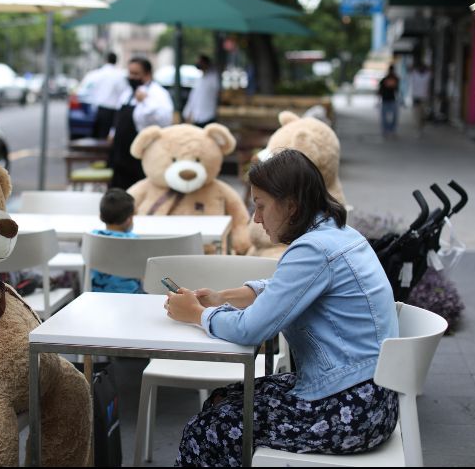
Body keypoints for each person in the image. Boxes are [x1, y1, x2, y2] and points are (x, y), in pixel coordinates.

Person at [165, 149, 399, 467]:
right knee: (222, 399)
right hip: (371, 397)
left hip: (350, 408)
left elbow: (250, 330)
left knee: (210, 429)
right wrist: (223, 298)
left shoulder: (313, 249)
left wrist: (195, 314)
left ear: (291, 205)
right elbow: (287, 290)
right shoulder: (337, 233)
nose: (256, 218)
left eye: (260, 205)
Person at [109, 57, 174, 190]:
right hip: (121, 154)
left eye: (136, 74)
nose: (131, 77)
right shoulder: (127, 93)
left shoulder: (158, 94)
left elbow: (164, 119)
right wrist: (113, 132)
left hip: (143, 154)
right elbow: (119, 116)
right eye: (130, 73)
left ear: (147, 74)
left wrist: (146, 101)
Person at [89, 188, 144, 294]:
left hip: (98, 294)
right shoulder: (133, 239)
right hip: (132, 295)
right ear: (129, 219)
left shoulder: (93, 236)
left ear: (100, 217)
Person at [80, 52, 127, 139]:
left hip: (97, 109)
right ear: (116, 61)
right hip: (114, 111)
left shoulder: (94, 74)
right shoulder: (120, 75)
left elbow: (83, 91)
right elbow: (124, 92)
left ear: (105, 60)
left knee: (98, 138)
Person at [183, 55, 220, 128]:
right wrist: (187, 113)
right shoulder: (200, 79)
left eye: (200, 62)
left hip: (208, 117)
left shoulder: (213, 78)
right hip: (198, 118)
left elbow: (218, 93)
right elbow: (193, 99)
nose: (198, 64)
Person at [378, 65, 400, 138]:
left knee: (394, 116)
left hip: (392, 99)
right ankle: (386, 130)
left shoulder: (395, 79)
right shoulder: (384, 79)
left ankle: (391, 130)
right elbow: (380, 90)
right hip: (385, 100)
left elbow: (397, 89)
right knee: (384, 117)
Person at [410, 63, 432, 136]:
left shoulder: (427, 75)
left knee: (423, 114)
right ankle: (418, 128)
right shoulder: (414, 74)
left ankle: (421, 126)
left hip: (425, 98)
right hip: (416, 97)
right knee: (417, 114)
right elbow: (410, 68)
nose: (421, 69)